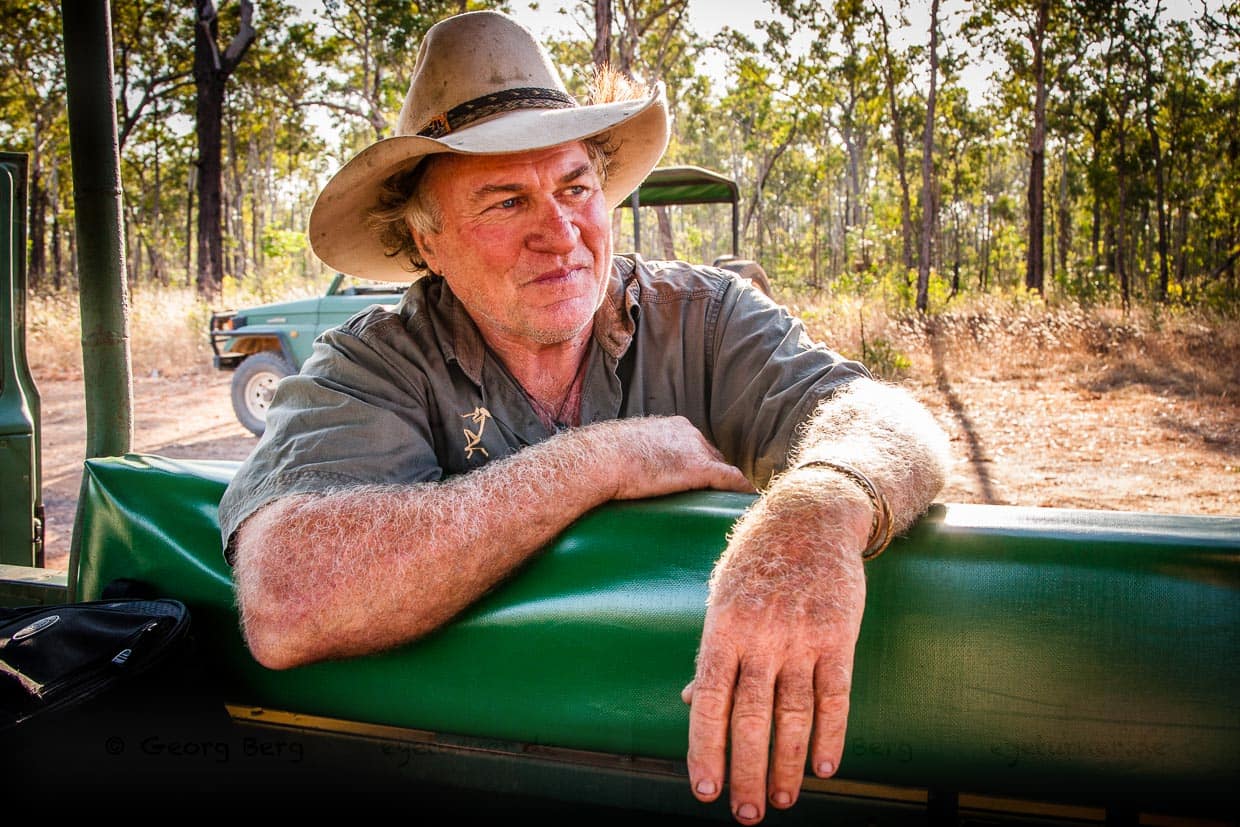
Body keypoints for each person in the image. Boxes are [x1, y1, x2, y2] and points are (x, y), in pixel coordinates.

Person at [217, 10, 951, 824]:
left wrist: (813, 514)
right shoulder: (376, 363)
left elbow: (888, 419)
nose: (560, 233)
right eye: (504, 201)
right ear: (427, 244)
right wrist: (603, 461)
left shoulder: (704, 317)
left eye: (576, 187)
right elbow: (287, 599)